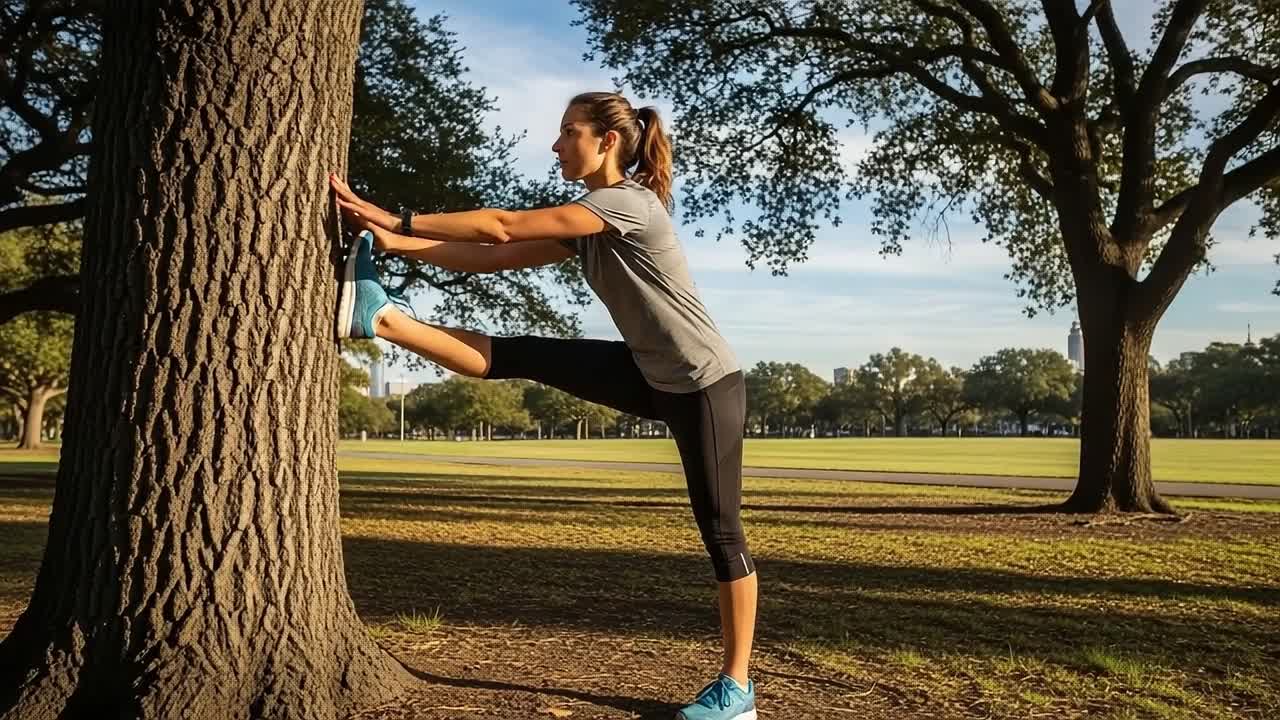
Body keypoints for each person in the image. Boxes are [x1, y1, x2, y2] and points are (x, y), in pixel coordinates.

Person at [331, 91, 758, 720]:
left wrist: (401, 220)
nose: (556, 145)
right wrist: (394, 243)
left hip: (705, 384)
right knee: (521, 352)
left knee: (721, 533)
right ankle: (382, 318)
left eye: (567, 133)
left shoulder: (625, 205)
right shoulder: (586, 224)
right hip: (647, 370)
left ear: (606, 141)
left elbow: (501, 225)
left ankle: (738, 688)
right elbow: (491, 257)